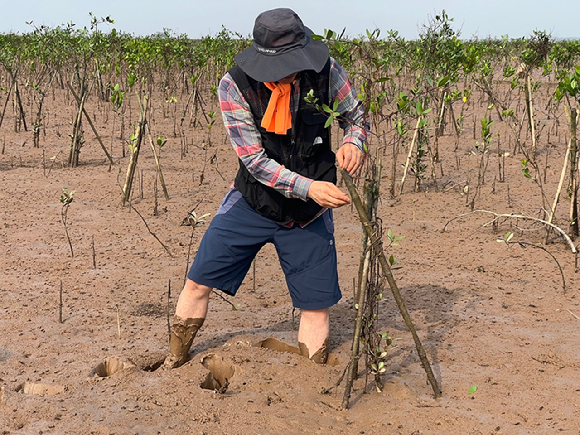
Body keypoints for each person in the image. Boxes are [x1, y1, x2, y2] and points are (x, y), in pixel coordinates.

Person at [163, 7, 367, 369]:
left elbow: (356, 115)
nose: (291, 70)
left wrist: (354, 142)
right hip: (252, 202)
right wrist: (310, 187)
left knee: (316, 307)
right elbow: (254, 162)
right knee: (197, 283)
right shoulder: (234, 85)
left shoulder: (326, 70)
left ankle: (311, 376)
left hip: (309, 214)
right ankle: (173, 360)